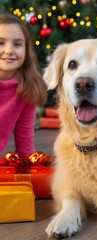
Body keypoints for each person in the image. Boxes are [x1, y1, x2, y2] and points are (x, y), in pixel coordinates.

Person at [0, 13, 47, 157]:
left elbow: (25, 143)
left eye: (17, 44)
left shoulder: (27, 88)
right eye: (1, 43)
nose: (9, 51)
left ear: (26, 51)